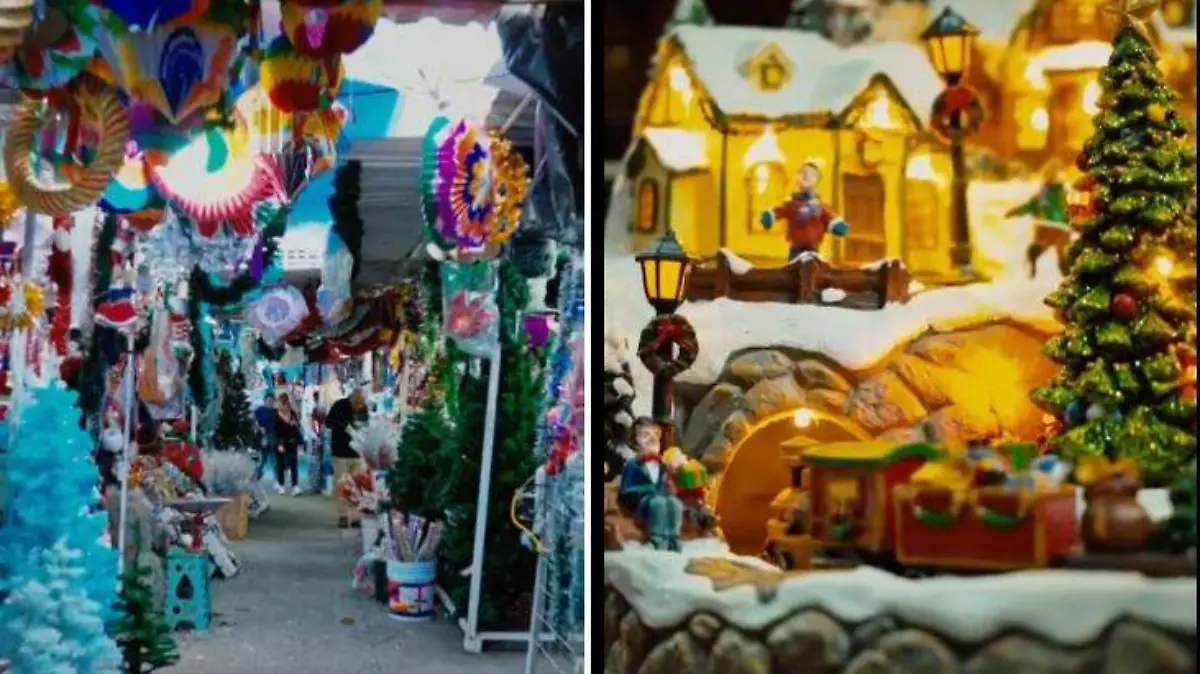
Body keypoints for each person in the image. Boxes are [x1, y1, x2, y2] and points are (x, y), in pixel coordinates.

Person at [760, 161, 850, 261]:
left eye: (811, 174)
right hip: (795, 249)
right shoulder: (791, 204)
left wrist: (837, 226)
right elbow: (779, 211)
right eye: (802, 173)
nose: (805, 175)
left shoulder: (820, 206)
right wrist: (769, 216)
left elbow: (829, 218)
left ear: (816, 180)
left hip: (813, 250)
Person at [618, 417, 683, 551]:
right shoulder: (632, 465)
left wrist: (670, 484)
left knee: (675, 503)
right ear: (635, 441)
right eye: (645, 435)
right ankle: (656, 540)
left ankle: (673, 538)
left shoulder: (662, 465)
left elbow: (668, 487)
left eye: (655, 435)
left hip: (660, 498)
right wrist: (651, 490)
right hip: (643, 505)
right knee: (658, 503)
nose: (652, 438)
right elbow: (626, 491)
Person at [325, 386, 369, 528]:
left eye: (362, 402)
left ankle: (356, 517)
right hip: (340, 453)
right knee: (342, 484)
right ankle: (343, 516)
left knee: (358, 486)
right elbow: (328, 423)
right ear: (352, 397)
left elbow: (366, 425)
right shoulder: (339, 406)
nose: (359, 406)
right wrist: (344, 426)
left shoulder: (363, 408)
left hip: (358, 453)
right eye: (357, 402)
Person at [274, 394, 304, 495]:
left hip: (292, 443)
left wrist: (300, 443)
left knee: (294, 464)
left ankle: (295, 486)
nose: (284, 404)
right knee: (281, 464)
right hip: (281, 443)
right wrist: (279, 444)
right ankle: (281, 485)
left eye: (286, 402)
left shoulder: (293, 413)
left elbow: (297, 428)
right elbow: (275, 432)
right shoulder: (276, 415)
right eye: (282, 402)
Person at [253, 393, 277, 483]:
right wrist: (259, 428)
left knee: (274, 459)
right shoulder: (259, 410)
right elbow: (254, 420)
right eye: (268, 401)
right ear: (265, 401)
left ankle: (277, 479)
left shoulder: (276, 412)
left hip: (274, 437)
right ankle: (256, 476)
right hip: (263, 438)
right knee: (262, 459)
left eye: (272, 401)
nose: (270, 403)